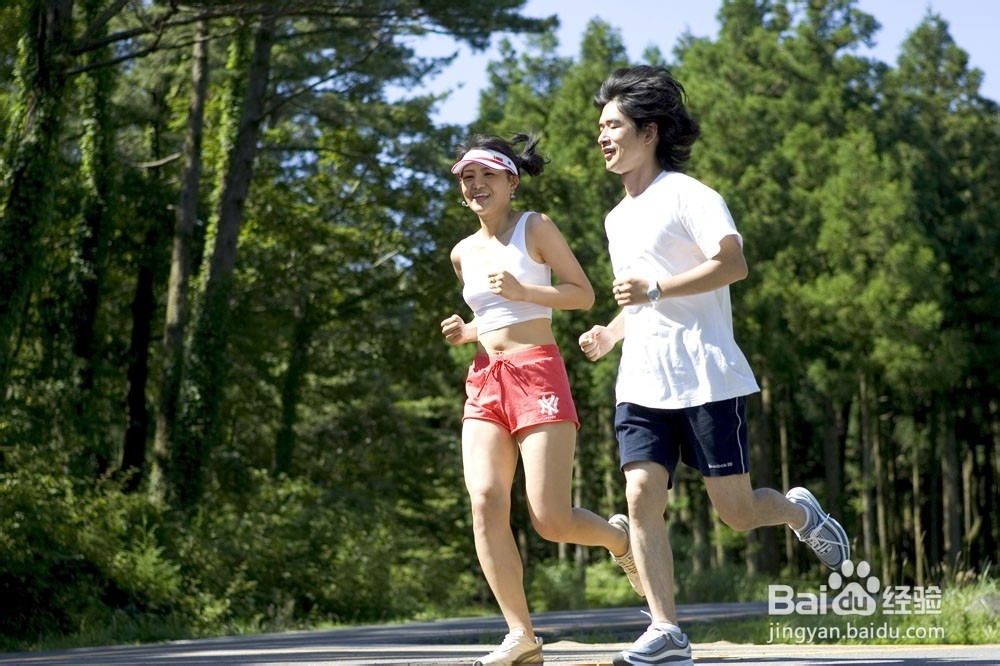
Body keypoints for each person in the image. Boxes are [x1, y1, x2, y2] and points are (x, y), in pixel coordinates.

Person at [578, 66, 851, 666]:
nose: (601, 137)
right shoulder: (616, 217)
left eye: (612, 125)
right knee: (641, 490)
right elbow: (640, 298)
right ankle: (666, 628)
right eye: (598, 126)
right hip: (643, 379)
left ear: (648, 131)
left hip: (704, 373)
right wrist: (611, 332)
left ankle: (801, 512)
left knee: (736, 512)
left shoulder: (691, 196)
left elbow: (732, 265)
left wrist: (653, 291)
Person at [441, 133, 644, 666]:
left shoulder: (536, 226)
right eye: (467, 177)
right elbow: (493, 315)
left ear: (511, 179)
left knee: (549, 518)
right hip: (485, 378)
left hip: (537, 373)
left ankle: (618, 540)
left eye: (487, 174)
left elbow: (582, 294)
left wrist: (525, 291)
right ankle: (521, 635)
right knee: (484, 501)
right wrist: (470, 331)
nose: (476, 185)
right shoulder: (462, 252)